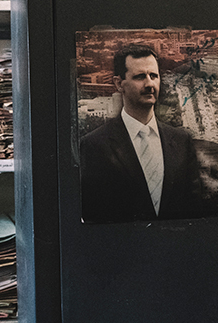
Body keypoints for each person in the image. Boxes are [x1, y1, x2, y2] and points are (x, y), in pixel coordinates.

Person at [80, 43, 206, 223]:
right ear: (119, 83)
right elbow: (94, 215)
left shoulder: (181, 141)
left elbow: (194, 210)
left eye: (154, 76)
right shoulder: (95, 145)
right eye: (140, 77)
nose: (149, 83)